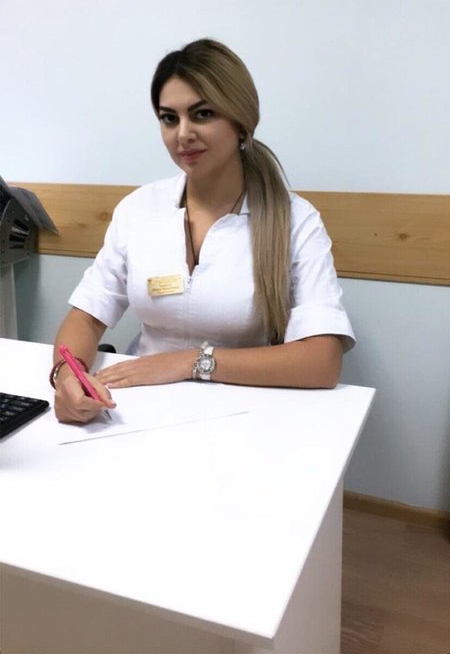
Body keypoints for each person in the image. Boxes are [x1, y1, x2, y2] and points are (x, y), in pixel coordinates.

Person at [52, 38, 355, 423]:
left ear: (241, 121)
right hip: (139, 410)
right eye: (169, 118)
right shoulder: (138, 209)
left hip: (248, 414)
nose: (183, 134)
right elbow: (86, 317)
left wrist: (190, 362)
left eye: (203, 114)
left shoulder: (296, 220)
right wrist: (68, 377)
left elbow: (322, 361)